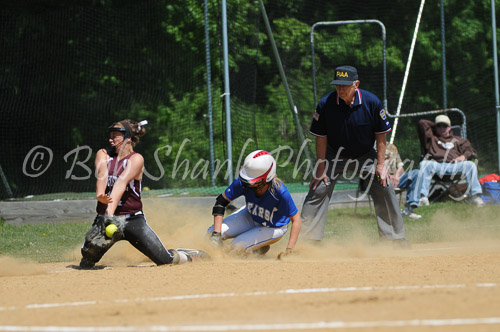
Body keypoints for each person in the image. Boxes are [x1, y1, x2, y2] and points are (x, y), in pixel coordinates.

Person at [300, 65, 409, 247]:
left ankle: (394, 239)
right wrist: (321, 168)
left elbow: (381, 136)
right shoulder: (326, 104)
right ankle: (307, 242)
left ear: (356, 84)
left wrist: (381, 166)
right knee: (319, 187)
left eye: (345, 85)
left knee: (385, 186)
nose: (340, 89)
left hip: (366, 154)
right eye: (337, 85)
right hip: (335, 154)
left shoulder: (371, 102)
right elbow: (320, 138)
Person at [80, 119, 209, 269]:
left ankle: (186, 255)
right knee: (87, 262)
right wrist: (100, 194)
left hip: (132, 220)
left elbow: (120, 184)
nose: (111, 139)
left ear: (128, 138)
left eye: (115, 136)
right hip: (107, 220)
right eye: (111, 135)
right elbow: (102, 174)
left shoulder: (136, 159)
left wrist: (109, 212)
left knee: (164, 260)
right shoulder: (103, 154)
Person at [207, 150, 301, 257]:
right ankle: (256, 246)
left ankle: (259, 248)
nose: (246, 183)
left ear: (266, 179)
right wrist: (216, 235)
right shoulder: (242, 183)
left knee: (237, 246)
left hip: (273, 227)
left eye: (251, 181)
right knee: (210, 235)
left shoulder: (280, 192)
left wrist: (289, 250)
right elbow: (220, 202)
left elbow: (296, 220)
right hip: (251, 215)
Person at [417, 115, 484, 206]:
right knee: (424, 164)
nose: (441, 128)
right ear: (435, 127)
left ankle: (475, 197)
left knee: (470, 165)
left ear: (449, 127)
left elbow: (472, 151)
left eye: (444, 126)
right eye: (439, 126)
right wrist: (435, 126)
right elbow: (422, 122)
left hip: (455, 166)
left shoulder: (459, 140)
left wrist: (463, 156)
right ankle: (423, 198)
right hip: (437, 166)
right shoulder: (431, 138)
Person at [385, 144, 423, 219]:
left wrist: (396, 175)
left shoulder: (391, 147)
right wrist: (387, 176)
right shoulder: (370, 146)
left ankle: (410, 208)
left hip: (395, 180)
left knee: (417, 173)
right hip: (379, 179)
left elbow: (400, 167)